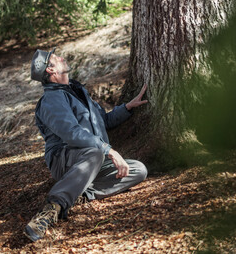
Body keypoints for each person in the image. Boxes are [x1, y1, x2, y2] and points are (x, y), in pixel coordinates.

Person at [24, 47, 149, 242]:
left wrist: (127, 108)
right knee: (95, 152)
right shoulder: (51, 99)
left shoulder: (77, 91)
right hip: (67, 160)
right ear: (50, 70)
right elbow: (72, 133)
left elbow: (104, 122)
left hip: (94, 159)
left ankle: (79, 193)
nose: (62, 57)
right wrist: (109, 150)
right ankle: (52, 209)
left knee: (138, 170)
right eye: (56, 58)